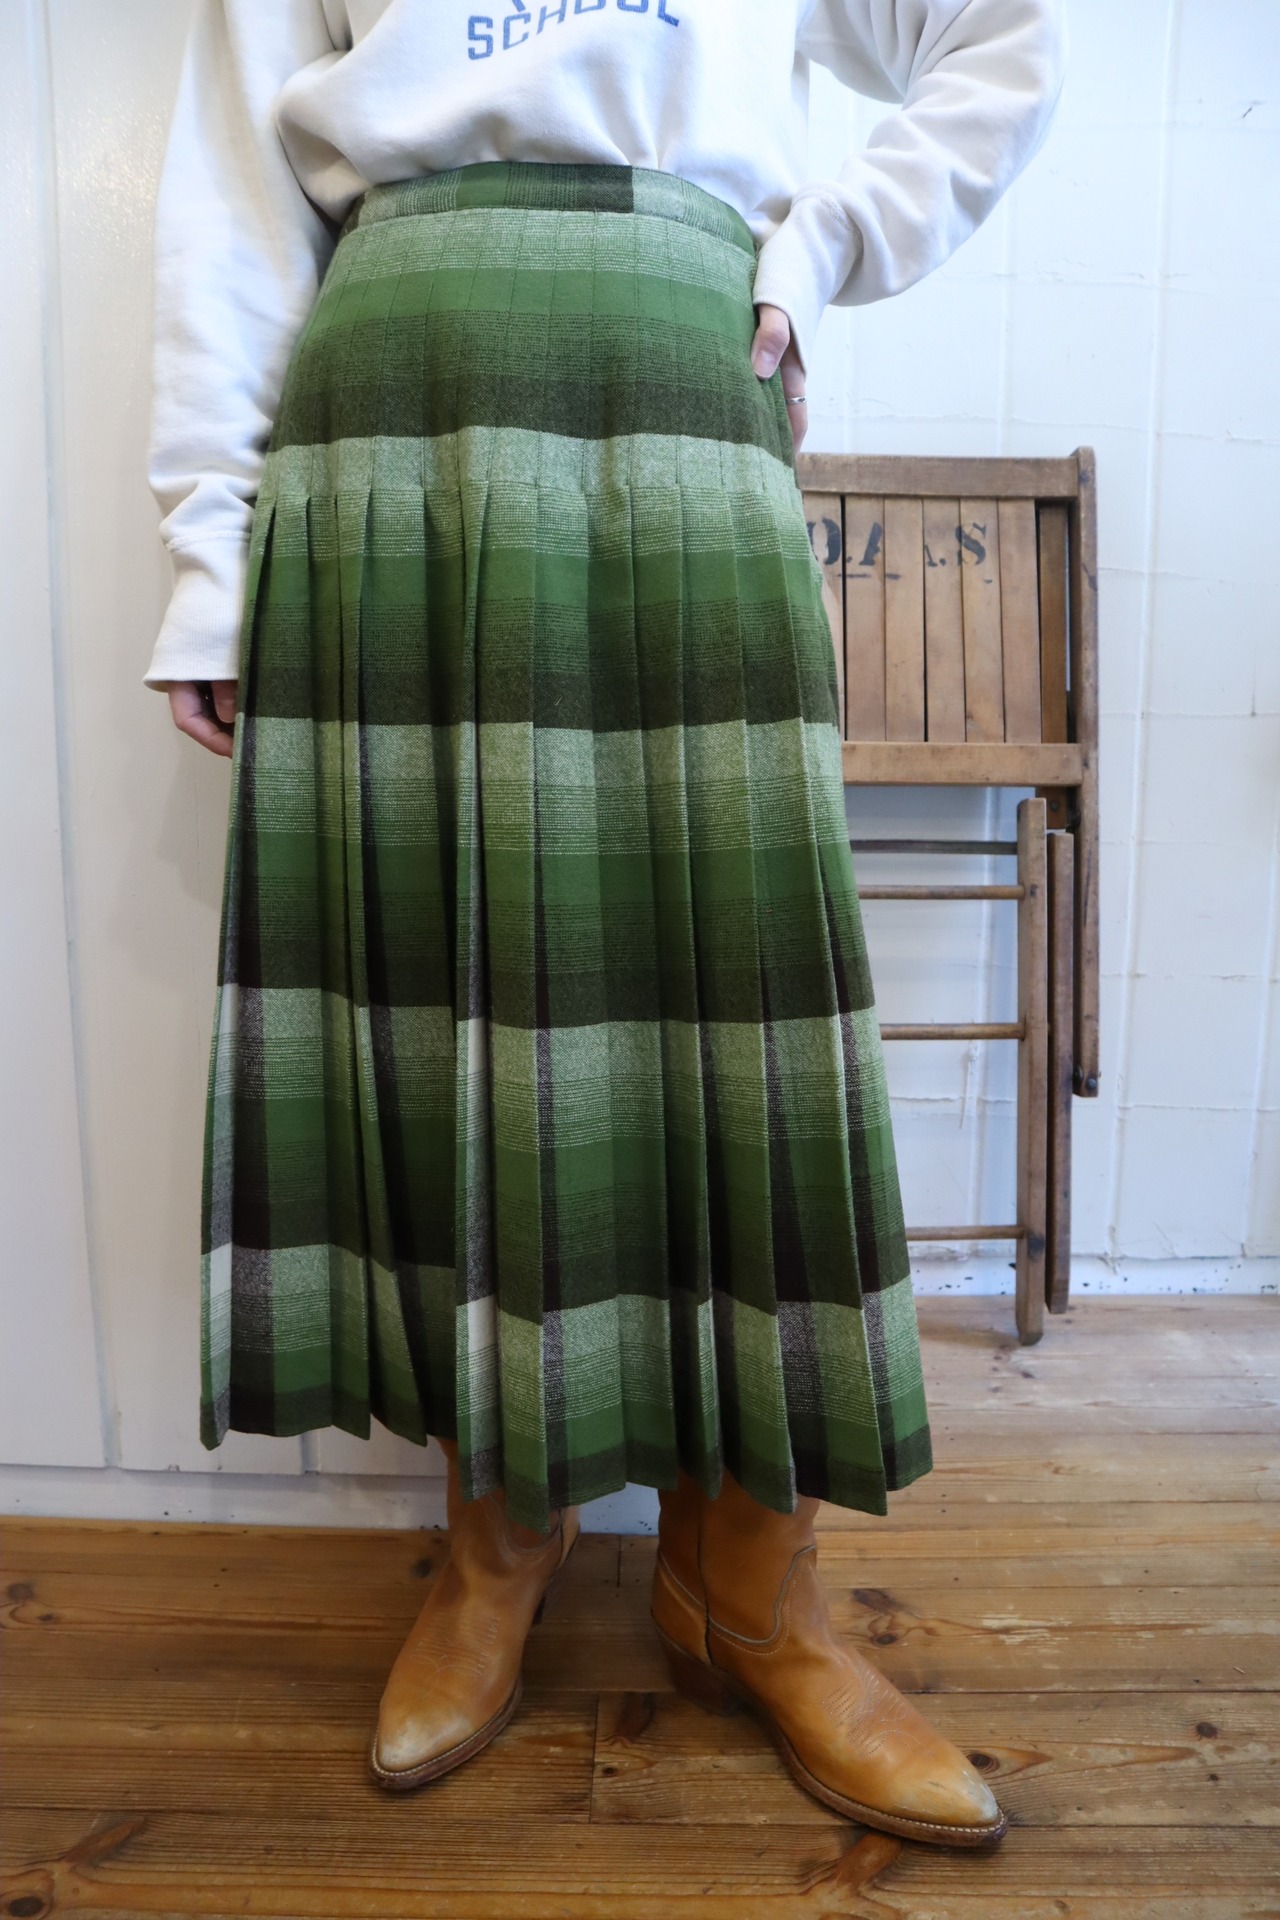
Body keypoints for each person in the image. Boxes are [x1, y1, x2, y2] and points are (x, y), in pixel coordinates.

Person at [148, 0, 1063, 1849]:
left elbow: (1001, 36)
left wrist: (823, 243)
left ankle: (755, 1584)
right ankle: (498, 1542)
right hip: (393, 418)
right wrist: (207, 549)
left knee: (746, 999)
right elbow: (235, 188)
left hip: (679, 379)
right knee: (448, 995)